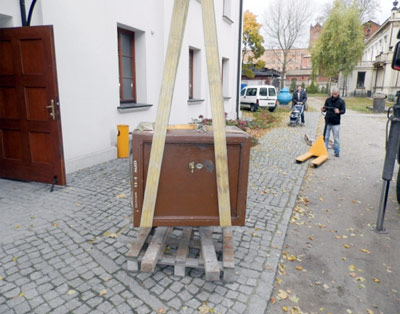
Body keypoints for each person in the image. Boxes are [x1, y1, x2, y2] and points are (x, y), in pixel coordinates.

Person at [321, 88, 346, 157]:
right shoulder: (328, 100)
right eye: (333, 94)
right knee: (326, 137)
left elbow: (343, 111)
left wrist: (339, 111)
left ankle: (337, 152)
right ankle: (324, 151)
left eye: (335, 94)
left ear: (338, 93)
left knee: (336, 138)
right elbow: (325, 109)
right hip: (328, 122)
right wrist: (323, 109)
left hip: (336, 123)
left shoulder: (341, 101)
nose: (334, 95)